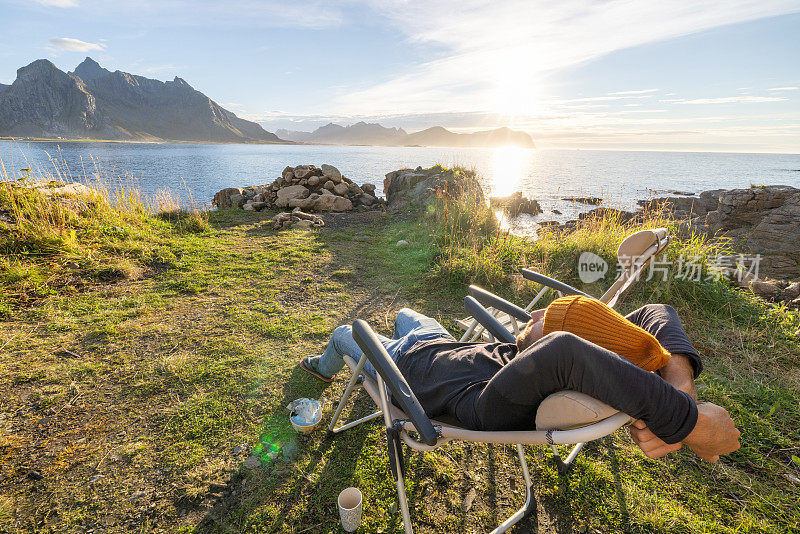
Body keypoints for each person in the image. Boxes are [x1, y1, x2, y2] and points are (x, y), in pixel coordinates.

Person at [300, 296, 740, 462]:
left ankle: (320, 368)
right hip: (440, 343)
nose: (530, 315)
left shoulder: (497, 404)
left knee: (345, 332)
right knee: (406, 313)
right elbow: (656, 312)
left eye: (542, 318)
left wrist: (690, 424)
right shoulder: (524, 362)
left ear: (549, 343)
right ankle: (398, 329)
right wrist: (682, 391)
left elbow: (566, 350)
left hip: (399, 365)